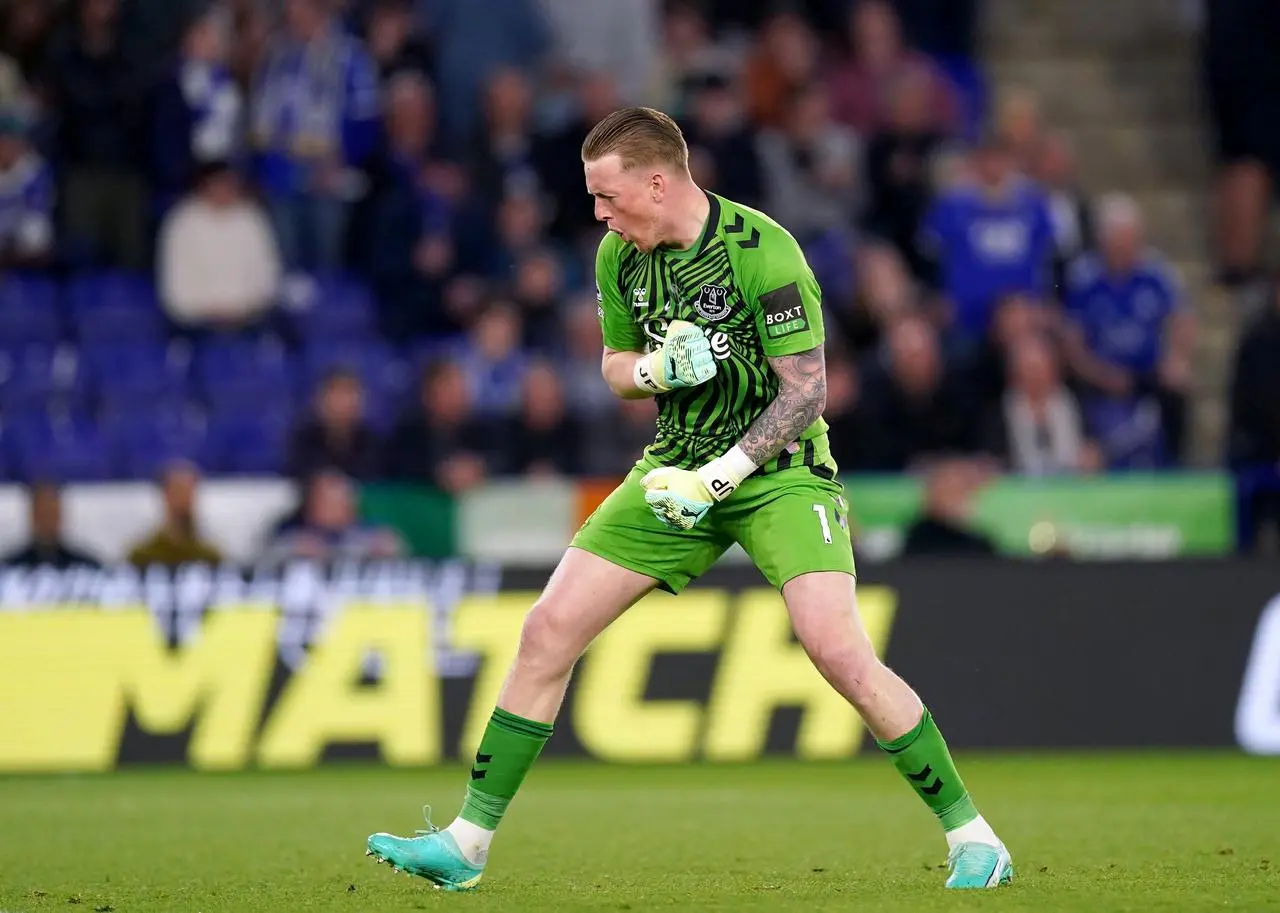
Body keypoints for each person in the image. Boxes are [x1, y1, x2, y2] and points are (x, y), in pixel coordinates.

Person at [365, 107, 1013, 892]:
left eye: (608, 197)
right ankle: (466, 844)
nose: (599, 215)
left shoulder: (762, 251)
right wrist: (655, 374)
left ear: (657, 181)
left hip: (778, 473)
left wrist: (724, 475)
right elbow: (613, 364)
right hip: (672, 467)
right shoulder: (618, 257)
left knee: (837, 651)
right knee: (546, 631)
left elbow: (807, 391)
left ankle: (974, 836)